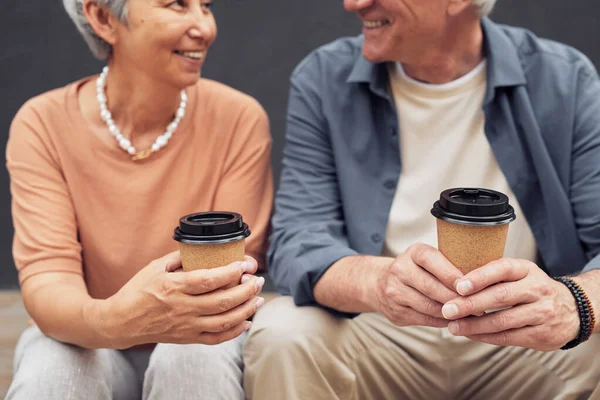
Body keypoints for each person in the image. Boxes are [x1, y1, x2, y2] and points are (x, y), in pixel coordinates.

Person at [243, 0, 600, 399]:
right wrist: (379, 282)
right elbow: (298, 241)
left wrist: (573, 304)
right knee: (283, 333)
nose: (354, 3)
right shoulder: (324, 76)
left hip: (527, 340)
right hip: (380, 332)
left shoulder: (564, 78)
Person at [5, 0, 273, 398]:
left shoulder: (238, 120)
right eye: (177, 5)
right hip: (87, 335)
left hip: (202, 344)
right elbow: (48, 283)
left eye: (206, 6)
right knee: (53, 366)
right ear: (102, 17)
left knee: (190, 360)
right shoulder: (42, 124)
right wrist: (116, 321)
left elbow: (223, 289)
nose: (204, 26)